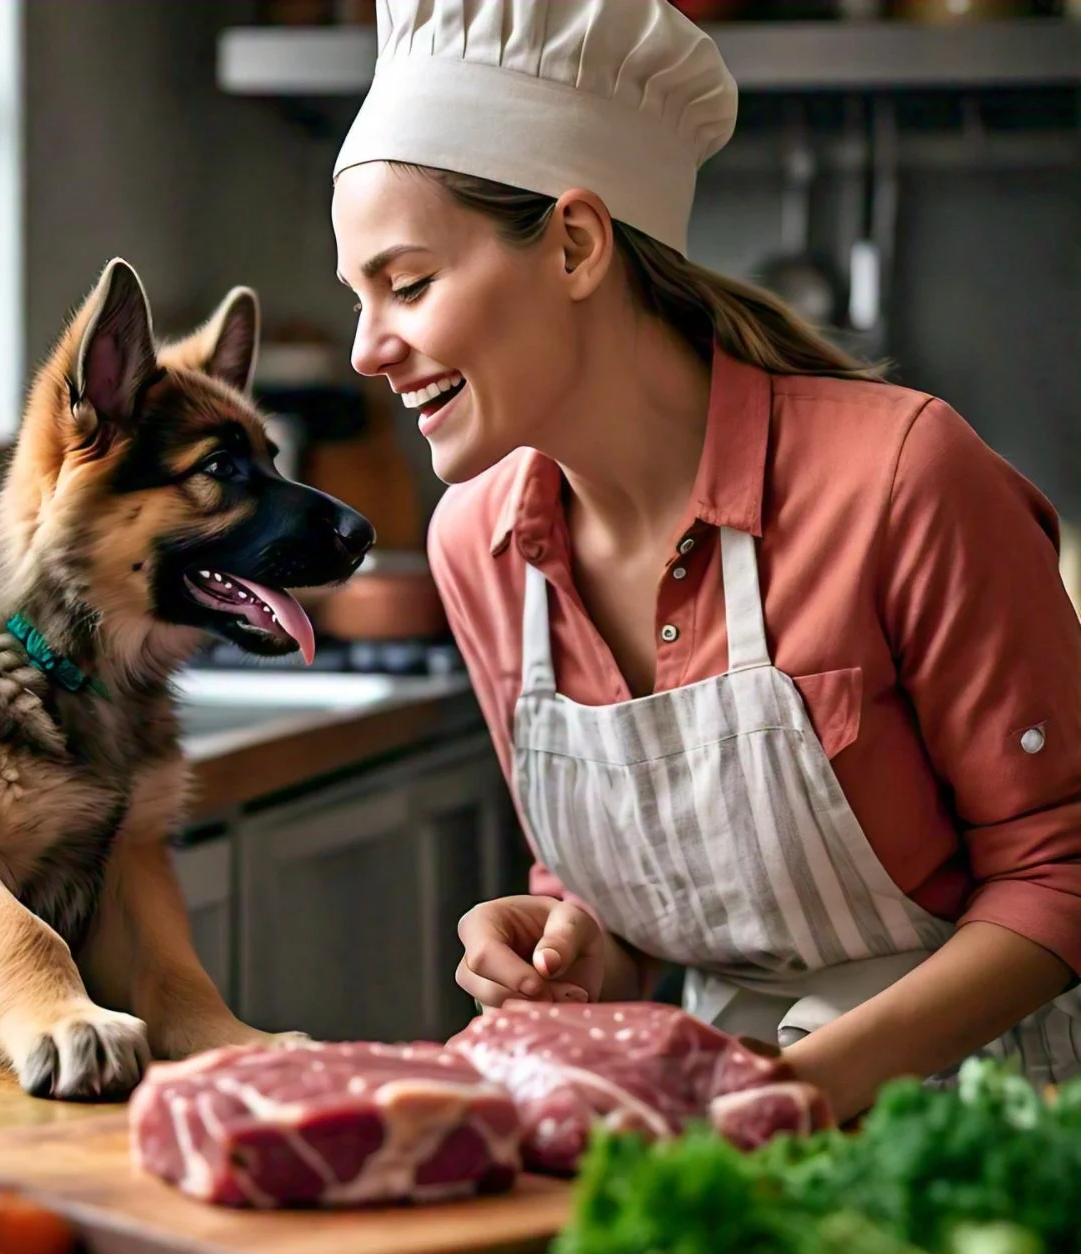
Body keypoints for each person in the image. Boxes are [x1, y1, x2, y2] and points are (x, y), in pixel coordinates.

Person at [330, 0, 1081, 1123]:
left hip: (981, 1137)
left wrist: (812, 1083)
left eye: (408, 283)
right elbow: (615, 905)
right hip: (703, 1134)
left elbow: (1059, 870)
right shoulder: (477, 547)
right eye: (357, 296)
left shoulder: (899, 479)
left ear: (575, 244)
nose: (364, 348)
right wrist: (572, 949)